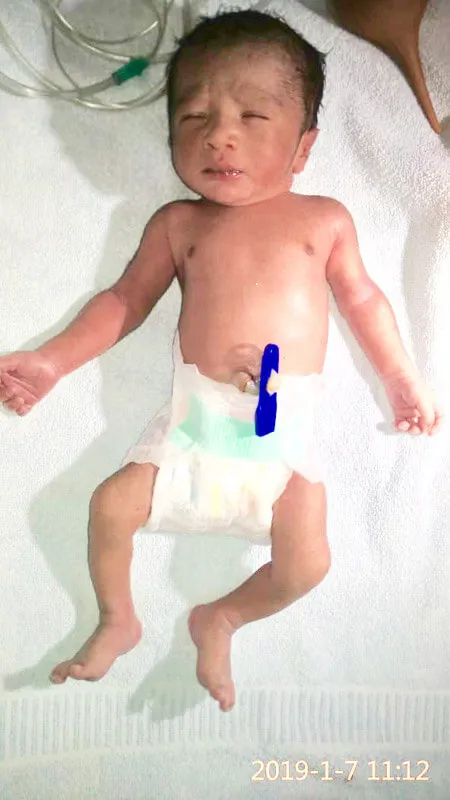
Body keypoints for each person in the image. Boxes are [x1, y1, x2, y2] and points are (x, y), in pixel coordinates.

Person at [0, 10, 442, 713]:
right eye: (194, 116)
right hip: (191, 425)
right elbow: (124, 301)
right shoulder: (178, 224)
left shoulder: (323, 219)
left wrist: (400, 378)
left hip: (281, 434)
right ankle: (118, 617)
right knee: (110, 506)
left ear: (303, 148)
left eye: (252, 116)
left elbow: (363, 300)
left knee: (308, 563)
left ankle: (223, 617)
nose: (218, 135)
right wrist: (53, 362)